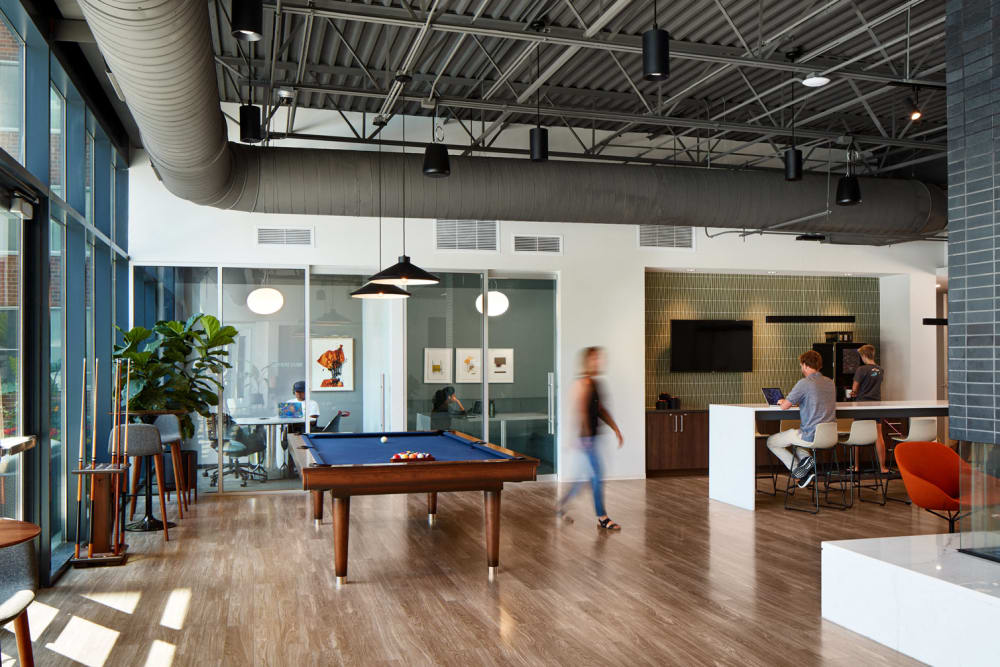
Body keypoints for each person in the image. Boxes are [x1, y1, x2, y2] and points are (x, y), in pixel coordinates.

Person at [556, 346, 624, 530]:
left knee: (585, 478)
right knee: (597, 476)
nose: (598, 362)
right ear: (587, 361)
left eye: (599, 358)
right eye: (594, 359)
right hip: (587, 440)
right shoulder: (584, 384)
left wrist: (615, 428)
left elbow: (600, 410)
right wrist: (585, 438)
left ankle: (561, 505)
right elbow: (582, 410)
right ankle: (602, 517)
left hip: (591, 438)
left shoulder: (595, 383)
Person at [766, 350, 836, 488]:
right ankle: (806, 467)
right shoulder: (830, 382)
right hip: (829, 435)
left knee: (771, 442)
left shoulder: (804, 383)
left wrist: (781, 401)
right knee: (799, 445)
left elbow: (785, 406)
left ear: (804, 365)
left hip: (810, 435)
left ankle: (799, 472)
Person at [850, 344, 888, 470]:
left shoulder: (861, 369)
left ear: (864, 355)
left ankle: (856, 466)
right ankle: (883, 467)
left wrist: (853, 393)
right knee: (879, 435)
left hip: (861, 405)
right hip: (876, 405)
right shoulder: (880, 370)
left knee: (857, 435)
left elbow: (855, 389)